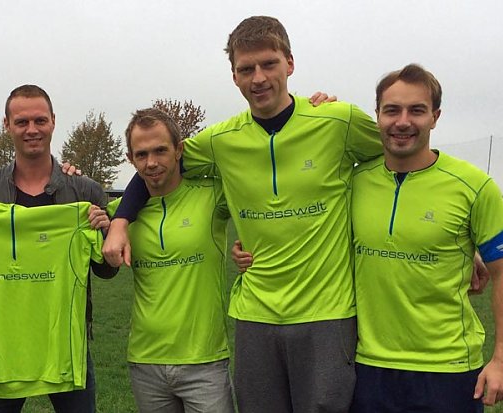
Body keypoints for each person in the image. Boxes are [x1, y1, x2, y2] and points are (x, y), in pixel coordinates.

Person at [105, 16, 383, 412]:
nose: (259, 78)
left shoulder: (338, 121)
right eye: (246, 69)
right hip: (254, 315)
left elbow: (400, 160)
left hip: (327, 313)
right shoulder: (222, 140)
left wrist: (460, 238)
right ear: (233, 76)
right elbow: (157, 168)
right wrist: (119, 222)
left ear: (290, 62)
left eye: (269, 64)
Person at [347, 63, 503, 412]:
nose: (402, 121)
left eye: (417, 110)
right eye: (392, 110)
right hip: (367, 366)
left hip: (448, 369)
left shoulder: (474, 186)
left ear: (435, 117)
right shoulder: (353, 182)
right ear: (377, 116)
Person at [0, 84, 116, 413]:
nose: (32, 129)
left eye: (40, 120)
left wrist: (105, 233)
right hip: (2, 350)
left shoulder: (84, 190)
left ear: (53, 121)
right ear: (6, 125)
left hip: (65, 346)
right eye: (21, 122)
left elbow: (106, 270)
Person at [110, 108, 234, 412]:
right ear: (130, 159)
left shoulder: (213, 194)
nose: (151, 163)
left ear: (179, 150)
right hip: (145, 362)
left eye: (161, 151)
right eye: (141, 155)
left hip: (205, 362)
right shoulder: (119, 216)